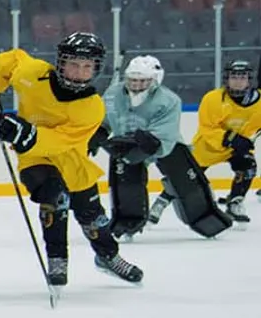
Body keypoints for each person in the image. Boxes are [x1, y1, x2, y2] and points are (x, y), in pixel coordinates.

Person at [0, 32, 142, 286]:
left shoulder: (91, 107)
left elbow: (61, 140)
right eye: (73, 64)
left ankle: (108, 255)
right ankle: (57, 258)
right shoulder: (33, 73)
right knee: (54, 197)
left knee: (91, 214)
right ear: (60, 62)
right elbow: (7, 61)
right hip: (34, 158)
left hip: (72, 159)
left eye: (87, 67)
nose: (79, 72)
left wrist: (24, 133)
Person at [102, 55, 226, 239]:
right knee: (126, 185)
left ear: (155, 80)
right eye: (132, 80)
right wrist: (98, 134)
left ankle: (205, 218)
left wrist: (138, 142)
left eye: (142, 81)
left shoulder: (169, 100)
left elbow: (162, 137)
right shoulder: (112, 94)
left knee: (187, 183)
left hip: (165, 144)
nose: (135, 85)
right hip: (127, 144)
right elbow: (103, 120)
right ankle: (127, 222)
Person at [167, 58, 261, 225]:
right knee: (185, 176)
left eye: (242, 77)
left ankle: (235, 202)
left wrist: (239, 142)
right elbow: (207, 128)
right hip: (208, 147)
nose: (238, 81)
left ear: (249, 80)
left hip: (236, 149)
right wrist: (232, 138)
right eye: (234, 77)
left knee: (248, 167)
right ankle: (160, 203)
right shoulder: (213, 98)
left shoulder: (258, 101)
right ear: (227, 79)